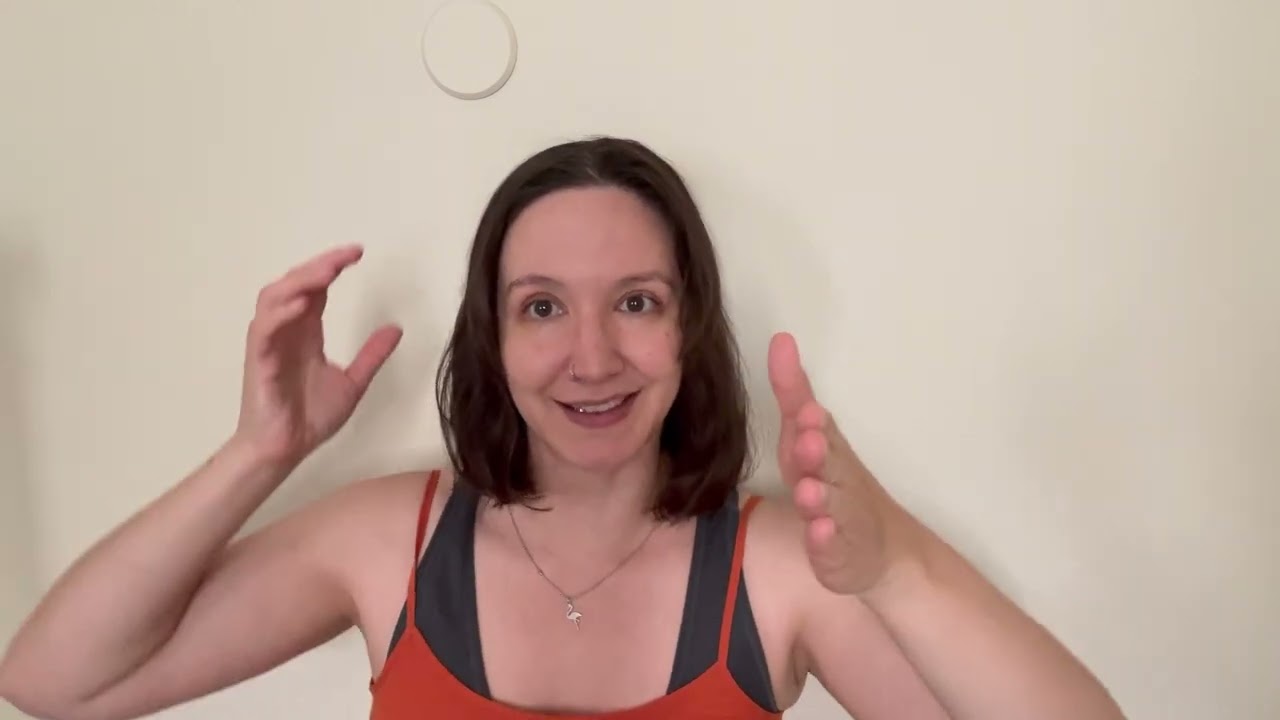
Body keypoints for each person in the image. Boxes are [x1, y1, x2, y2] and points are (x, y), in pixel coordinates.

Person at [0, 136, 1126, 720]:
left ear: (689, 328)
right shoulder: (388, 542)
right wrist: (261, 454)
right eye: (542, 307)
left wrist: (898, 571)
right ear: (491, 337)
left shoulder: (777, 566)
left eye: (635, 301)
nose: (591, 357)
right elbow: (55, 682)